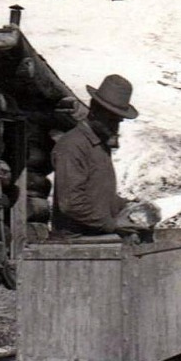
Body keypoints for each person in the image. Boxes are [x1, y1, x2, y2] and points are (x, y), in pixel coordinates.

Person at [51, 74, 145, 238]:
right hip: (74, 245)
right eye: (111, 119)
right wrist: (111, 224)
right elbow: (71, 203)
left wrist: (126, 206)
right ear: (94, 112)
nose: (116, 126)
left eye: (118, 121)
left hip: (94, 239)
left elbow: (99, 196)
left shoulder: (99, 146)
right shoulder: (72, 146)